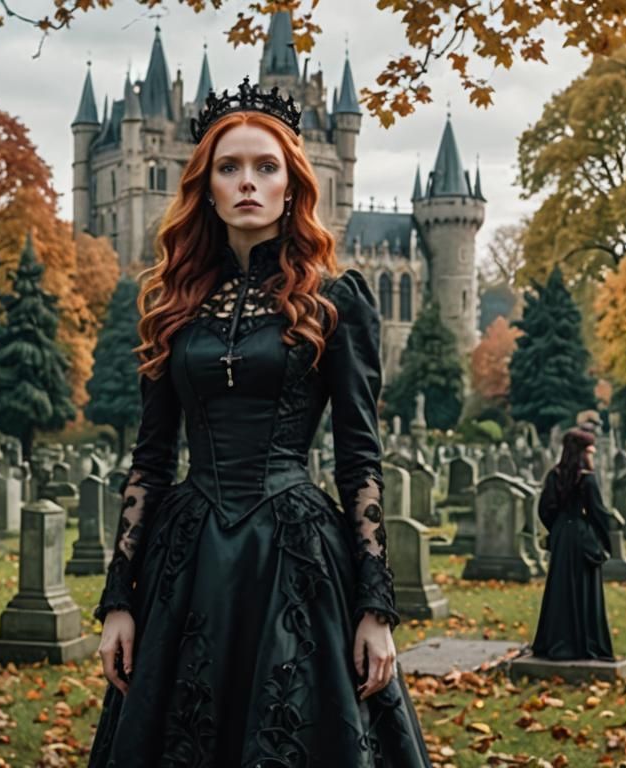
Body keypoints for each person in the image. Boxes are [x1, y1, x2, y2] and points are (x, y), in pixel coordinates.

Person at [87, 78, 432, 767]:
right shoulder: (171, 305)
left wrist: (375, 609)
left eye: (265, 166)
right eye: (229, 167)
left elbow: (359, 459)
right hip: (188, 560)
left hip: (297, 556)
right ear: (206, 186)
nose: (248, 182)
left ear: (292, 185)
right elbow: (151, 459)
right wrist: (119, 600)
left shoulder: (337, 302)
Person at [530, 428, 617, 661]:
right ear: (581, 453)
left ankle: (557, 642)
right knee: (583, 589)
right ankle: (584, 644)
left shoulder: (553, 475)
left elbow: (543, 510)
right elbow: (598, 513)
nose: (592, 456)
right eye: (590, 452)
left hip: (560, 536)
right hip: (581, 534)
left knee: (560, 589)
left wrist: (557, 529)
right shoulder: (587, 479)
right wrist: (606, 542)